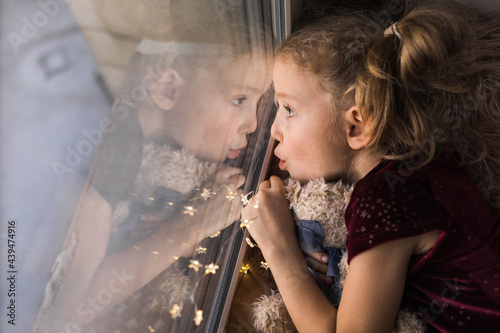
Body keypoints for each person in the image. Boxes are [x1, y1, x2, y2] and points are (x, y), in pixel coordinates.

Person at [242, 1, 500, 332]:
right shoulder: (423, 164)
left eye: (289, 109)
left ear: (357, 126)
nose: (274, 129)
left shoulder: (385, 198)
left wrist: (278, 247)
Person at [33, 1, 273, 332]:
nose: (252, 124)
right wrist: (194, 223)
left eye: (259, 104)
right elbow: (72, 303)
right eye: (238, 100)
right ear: (167, 87)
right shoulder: (114, 145)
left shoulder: (126, 137)